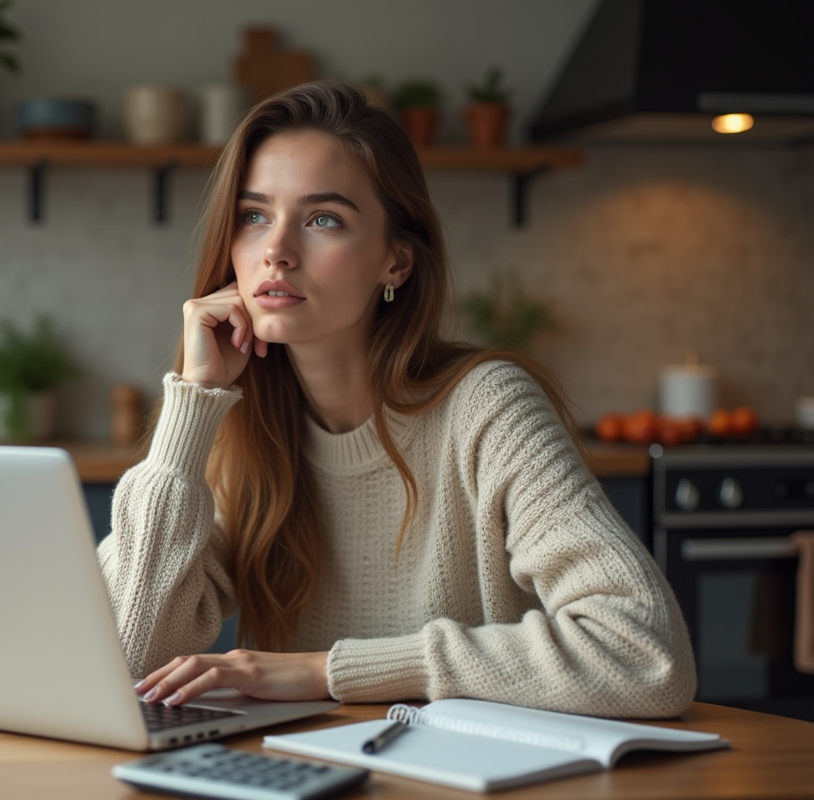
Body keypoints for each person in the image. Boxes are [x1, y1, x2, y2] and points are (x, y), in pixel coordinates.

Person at [97, 80, 695, 719]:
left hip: (467, 768)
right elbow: (124, 658)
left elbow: (646, 655)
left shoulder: (488, 409)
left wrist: (329, 671)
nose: (276, 251)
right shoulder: (238, 429)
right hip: (301, 767)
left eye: (323, 219)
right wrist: (194, 402)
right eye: (254, 216)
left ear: (397, 262)